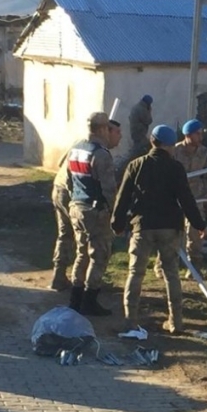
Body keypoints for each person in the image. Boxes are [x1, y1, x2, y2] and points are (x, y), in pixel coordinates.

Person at [112, 124, 207, 334]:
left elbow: (123, 197)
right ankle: (176, 322)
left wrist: (118, 224)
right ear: (170, 145)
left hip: (142, 226)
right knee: (172, 274)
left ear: (152, 142)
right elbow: (186, 199)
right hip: (169, 227)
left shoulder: (136, 165)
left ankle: (130, 321)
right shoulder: (176, 168)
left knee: (135, 273)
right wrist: (199, 224)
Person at [49, 120, 122, 291]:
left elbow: (63, 162)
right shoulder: (98, 152)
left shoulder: (81, 145)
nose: (120, 137)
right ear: (106, 131)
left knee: (66, 234)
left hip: (62, 188)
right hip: (72, 193)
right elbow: (107, 188)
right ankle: (86, 282)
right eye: (117, 133)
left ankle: (61, 277)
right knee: (87, 240)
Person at [67, 112, 118, 316]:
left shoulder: (76, 148)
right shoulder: (101, 154)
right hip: (96, 211)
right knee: (99, 256)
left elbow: (70, 180)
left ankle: (75, 299)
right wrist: (115, 212)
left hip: (76, 207)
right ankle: (90, 301)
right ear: (102, 129)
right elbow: (109, 189)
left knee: (81, 253)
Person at [169, 118, 207, 278]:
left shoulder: (204, 152)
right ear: (188, 135)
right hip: (175, 197)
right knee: (171, 233)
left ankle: (194, 269)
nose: (201, 137)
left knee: (196, 234)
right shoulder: (175, 151)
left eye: (201, 134)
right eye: (198, 134)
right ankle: (164, 266)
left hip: (195, 197)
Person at [128, 94, 153, 160]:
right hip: (140, 133)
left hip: (134, 131)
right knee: (143, 149)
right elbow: (148, 120)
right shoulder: (142, 109)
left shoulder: (136, 107)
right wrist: (149, 111)